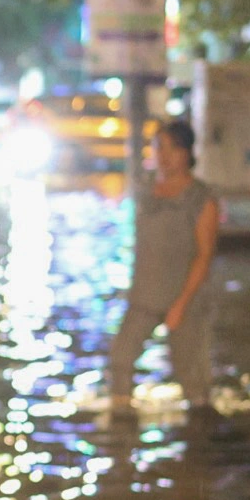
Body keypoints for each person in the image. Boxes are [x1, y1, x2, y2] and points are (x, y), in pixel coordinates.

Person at [105, 117, 222, 413]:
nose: (164, 155)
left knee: (192, 376)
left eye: (172, 148)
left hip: (184, 297)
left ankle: (201, 439)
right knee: (121, 359)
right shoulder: (144, 191)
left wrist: (181, 304)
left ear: (187, 152)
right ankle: (121, 431)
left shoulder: (201, 199)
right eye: (158, 147)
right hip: (144, 295)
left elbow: (204, 255)